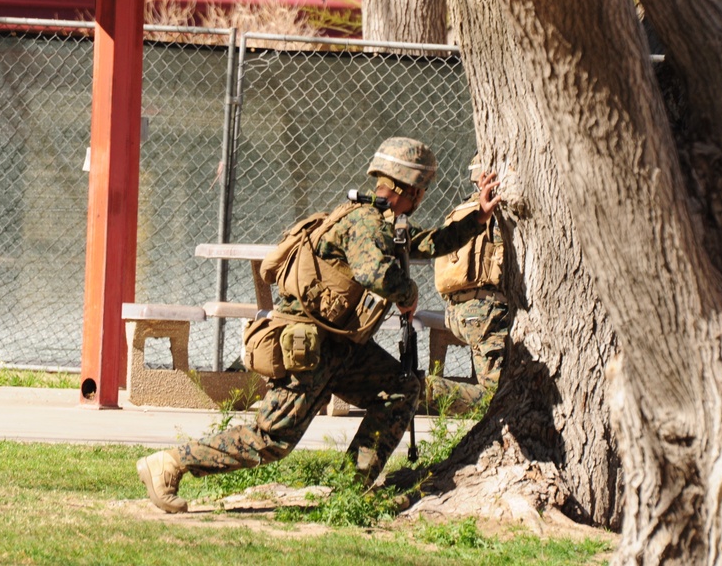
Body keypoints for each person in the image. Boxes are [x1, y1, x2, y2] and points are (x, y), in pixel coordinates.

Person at [136, 137, 501, 514]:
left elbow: (423, 243)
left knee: (399, 389)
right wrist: (407, 292)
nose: (421, 198)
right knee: (271, 439)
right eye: (421, 190)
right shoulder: (365, 222)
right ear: (408, 188)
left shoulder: (377, 220)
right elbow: (377, 274)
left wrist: (478, 219)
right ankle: (171, 462)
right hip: (308, 347)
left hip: (339, 348)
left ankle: (349, 487)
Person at [425, 154, 509, 416]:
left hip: (458, 314)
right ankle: (417, 390)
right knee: (495, 399)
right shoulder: (500, 212)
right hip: (486, 313)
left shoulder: (463, 210)